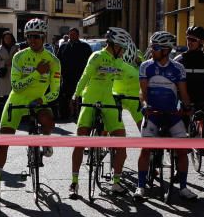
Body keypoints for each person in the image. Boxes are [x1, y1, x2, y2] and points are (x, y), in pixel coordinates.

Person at [0, 18, 61, 198]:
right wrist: (37, 73)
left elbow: (56, 92)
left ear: (44, 37)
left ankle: (46, 139)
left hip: (39, 101)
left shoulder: (53, 61)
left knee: (48, 121)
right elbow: (17, 86)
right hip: (17, 101)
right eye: (29, 37)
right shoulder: (19, 57)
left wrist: (42, 99)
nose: (32, 40)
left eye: (36, 36)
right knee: (3, 142)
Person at [69, 27, 136, 198]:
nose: (123, 53)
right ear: (114, 45)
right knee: (80, 139)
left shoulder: (117, 60)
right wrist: (76, 95)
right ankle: (74, 182)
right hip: (90, 99)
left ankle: (116, 183)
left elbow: (132, 73)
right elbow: (85, 76)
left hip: (108, 101)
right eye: (122, 48)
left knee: (121, 143)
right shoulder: (97, 56)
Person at [135, 30, 196, 200]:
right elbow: (143, 92)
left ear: (166, 50)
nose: (151, 50)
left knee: (182, 151)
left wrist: (188, 107)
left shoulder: (178, 68)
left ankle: (183, 187)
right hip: (152, 112)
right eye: (151, 47)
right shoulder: (146, 66)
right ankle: (140, 186)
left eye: (154, 47)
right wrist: (145, 105)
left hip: (171, 113)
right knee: (145, 150)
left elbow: (183, 93)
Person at [56, 27, 92, 120]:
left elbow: (90, 62)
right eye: (70, 34)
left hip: (80, 77)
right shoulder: (63, 46)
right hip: (66, 77)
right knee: (64, 96)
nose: (71, 36)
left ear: (78, 35)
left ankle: (79, 114)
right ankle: (65, 115)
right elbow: (58, 60)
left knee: (79, 96)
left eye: (74, 34)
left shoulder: (85, 47)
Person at [0, 30, 19, 112]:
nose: (7, 40)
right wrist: (5, 63)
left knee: (15, 94)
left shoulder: (17, 48)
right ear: (3, 39)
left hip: (15, 73)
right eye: (6, 38)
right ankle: (4, 112)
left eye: (9, 38)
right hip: (4, 75)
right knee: (4, 96)